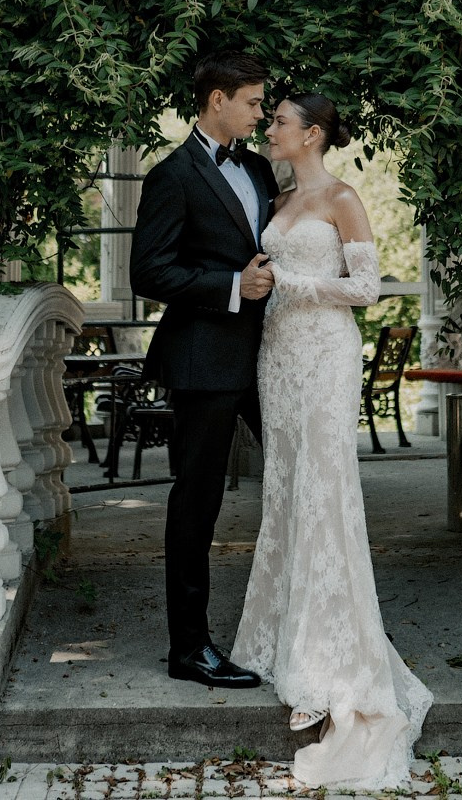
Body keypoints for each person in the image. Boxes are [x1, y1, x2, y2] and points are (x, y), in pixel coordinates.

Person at [231, 91, 433, 788]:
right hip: (278, 356)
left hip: (325, 355)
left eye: (281, 121)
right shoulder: (278, 196)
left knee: (324, 491)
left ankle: (329, 659)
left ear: (312, 134)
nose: (271, 127)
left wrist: (287, 277)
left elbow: (369, 287)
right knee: (284, 490)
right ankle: (278, 636)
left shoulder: (342, 196)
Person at [129, 50, 279, 689]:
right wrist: (228, 286)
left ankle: (322, 624)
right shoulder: (173, 174)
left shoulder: (259, 169)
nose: (260, 112)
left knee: (308, 484)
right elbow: (149, 271)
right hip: (203, 359)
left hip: (273, 358)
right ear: (217, 100)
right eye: (252, 102)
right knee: (198, 503)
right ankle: (188, 647)